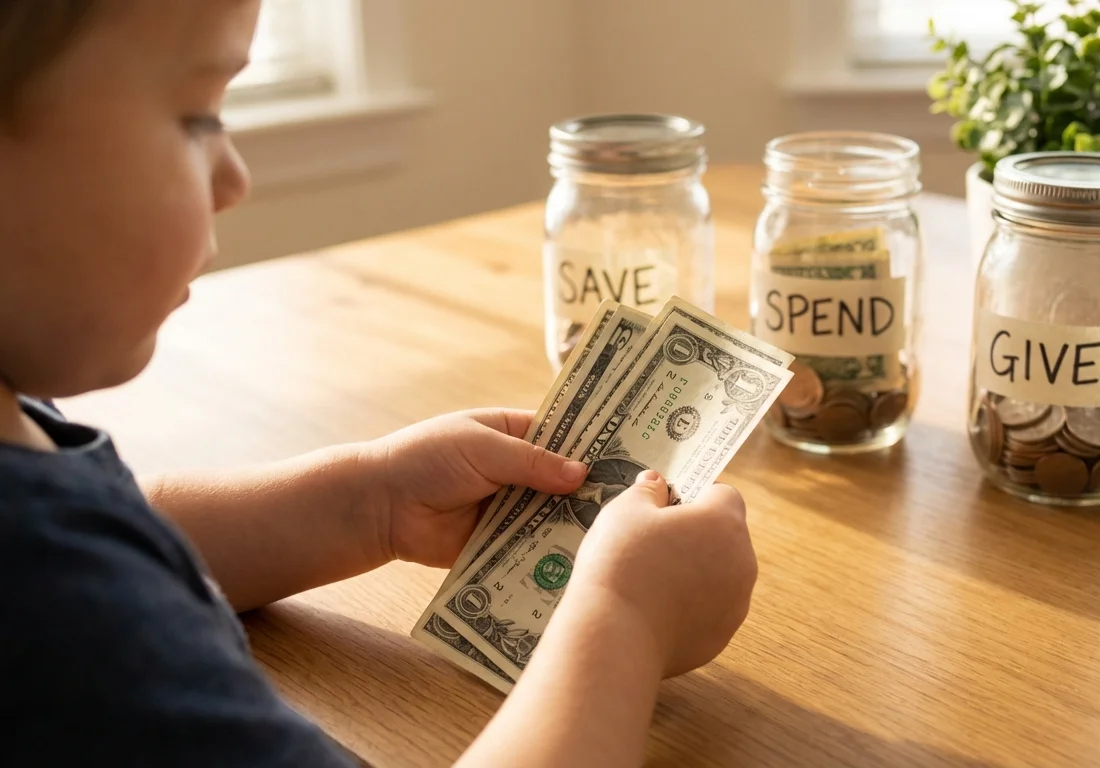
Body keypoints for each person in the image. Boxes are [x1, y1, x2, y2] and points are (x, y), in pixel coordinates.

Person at [0, 2, 758, 766]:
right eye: (197, 115)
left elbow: (127, 526)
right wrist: (622, 622)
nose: (234, 178)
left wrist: (369, 503)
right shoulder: (60, 612)